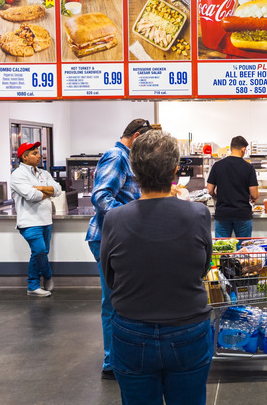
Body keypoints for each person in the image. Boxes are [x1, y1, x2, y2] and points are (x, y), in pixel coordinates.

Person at [100, 131, 213, 405]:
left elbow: (110, 276)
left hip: (131, 331)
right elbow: (203, 267)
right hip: (188, 328)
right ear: (175, 171)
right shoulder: (198, 214)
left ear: (135, 171)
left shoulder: (114, 219)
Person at [85, 118, 153, 381]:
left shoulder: (128, 159)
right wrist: (131, 220)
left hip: (121, 237)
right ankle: (111, 363)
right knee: (113, 302)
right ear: (136, 137)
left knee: (124, 298)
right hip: (107, 238)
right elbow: (102, 197)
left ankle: (123, 354)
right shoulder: (116, 156)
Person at [10, 142, 62, 297]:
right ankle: (47, 276)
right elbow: (32, 196)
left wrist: (39, 188)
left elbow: (58, 189)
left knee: (40, 252)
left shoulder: (43, 174)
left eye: (38, 152)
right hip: (29, 222)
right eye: (34, 153)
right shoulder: (18, 175)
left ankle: (33, 285)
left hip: (46, 220)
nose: (39, 156)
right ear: (24, 157)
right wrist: (46, 191)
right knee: (39, 251)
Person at [206, 136, 258, 238]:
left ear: (231, 148)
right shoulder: (249, 168)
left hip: (222, 214)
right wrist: (253, 198)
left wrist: (218, 197)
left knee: (222, 248)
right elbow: (254, 194)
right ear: (243, 149)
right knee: (243, 249)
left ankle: (224, 255)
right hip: (242, 214)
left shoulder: (217, 165)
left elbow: (209, 190)